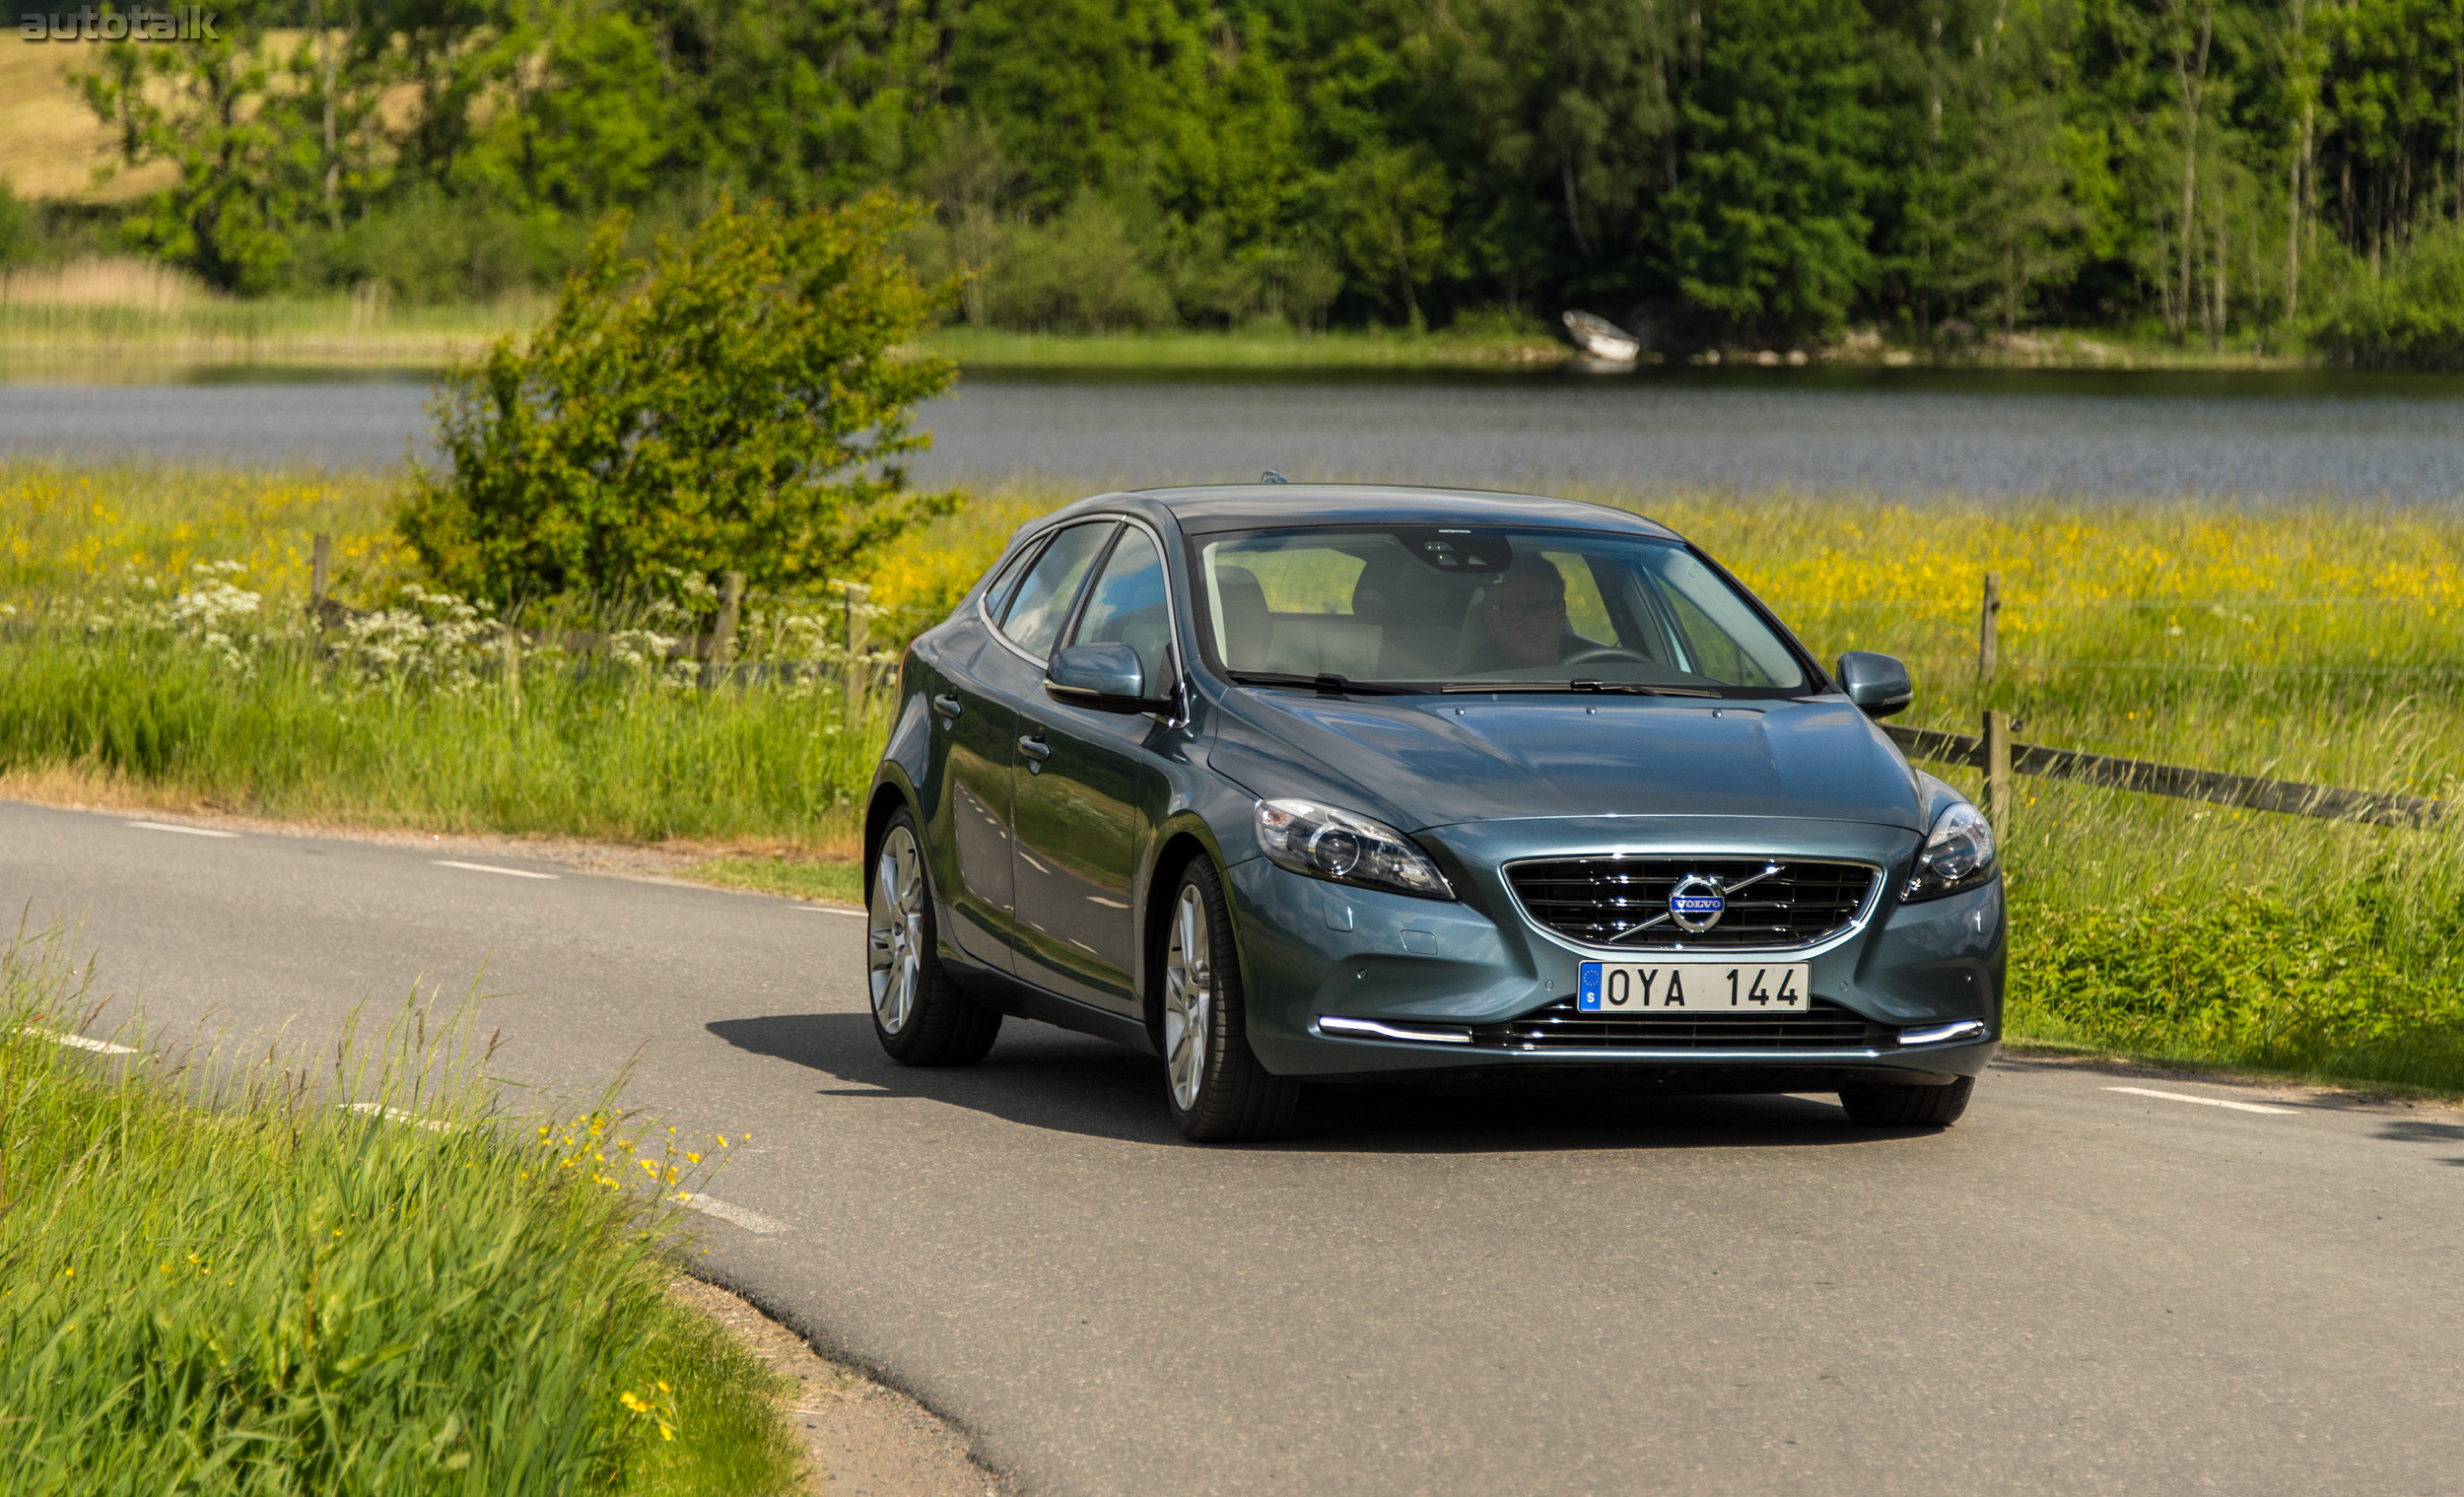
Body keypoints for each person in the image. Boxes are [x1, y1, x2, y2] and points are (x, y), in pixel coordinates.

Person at [1468, 554, 1591, 671]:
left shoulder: (1599, 668)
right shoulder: (1466, 687)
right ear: (1491, 621)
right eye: (1515, 609)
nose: (1533, 623)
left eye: (1543, 606)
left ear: (1561, 614)